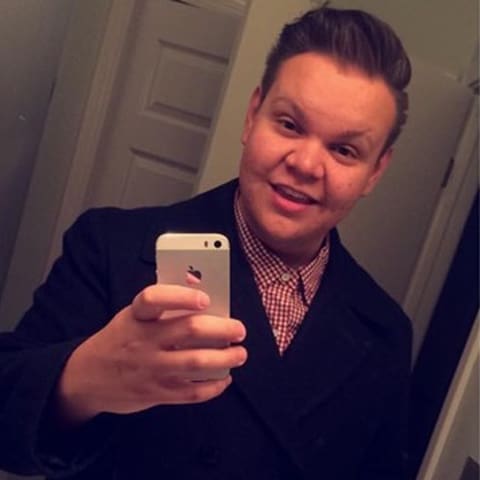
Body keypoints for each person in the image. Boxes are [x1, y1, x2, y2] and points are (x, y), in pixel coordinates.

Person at [0, 5, 413, 479]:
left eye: (344, 149)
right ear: (252, 116)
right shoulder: (111, 248)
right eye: (289, 124)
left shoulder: (385, 333)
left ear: (374, 172)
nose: (305, 164)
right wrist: (81, 379)